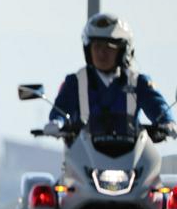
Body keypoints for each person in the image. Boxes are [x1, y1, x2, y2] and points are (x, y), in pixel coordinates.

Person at [46, 13, 177, 138]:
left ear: (122, 50)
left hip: (130, 155)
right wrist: (57, 122)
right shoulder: (76, 82)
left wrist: (167, 122)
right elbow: (61, 108)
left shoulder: (138, 82)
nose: (101, 53)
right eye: (96, 47)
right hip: (83, 157)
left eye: (109, 47)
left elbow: (156, 105)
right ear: (88, 50)